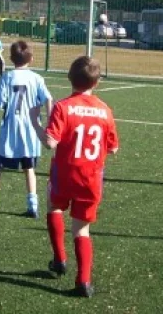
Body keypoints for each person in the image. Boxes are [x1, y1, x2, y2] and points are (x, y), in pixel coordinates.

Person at [44, 55, 120, 299]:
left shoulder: (63, 107)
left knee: (54, 207)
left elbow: (50, 142)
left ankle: (59, 259)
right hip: (91, 178)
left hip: (65, 173)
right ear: (96, 83)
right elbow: (113, 148)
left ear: (69, 78)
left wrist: (38, 125)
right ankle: (84, 281)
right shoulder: (105, 110)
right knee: (82, 229)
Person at [0, 40, 52, 218]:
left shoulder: (7, 77)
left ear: (10, 58)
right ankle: (33, 206)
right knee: (29, 168)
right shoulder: (36, 78)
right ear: (31, 59)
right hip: (31, 130)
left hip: (10, 128)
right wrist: (49, 121)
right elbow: (48, 99)